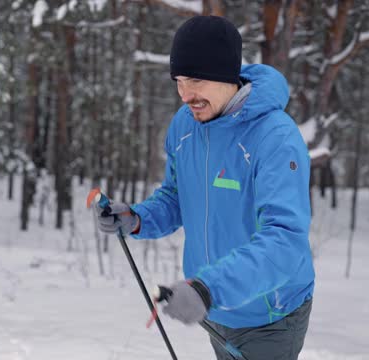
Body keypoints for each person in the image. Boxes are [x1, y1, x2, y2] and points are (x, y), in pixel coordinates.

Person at [95, 15, 315, 360]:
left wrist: (209, 287)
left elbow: (285, 241)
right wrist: (137, 218)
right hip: (213, 307)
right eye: (179, 81)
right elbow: (176, 196)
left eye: (195, 79)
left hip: (268, 314)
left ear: (226, 74)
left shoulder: (275, 138)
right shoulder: (186, 125)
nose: (185, 95)